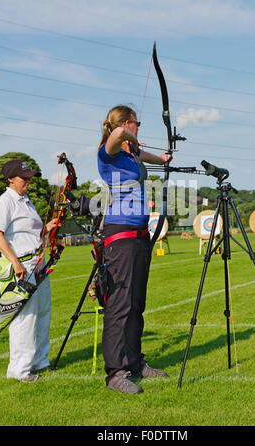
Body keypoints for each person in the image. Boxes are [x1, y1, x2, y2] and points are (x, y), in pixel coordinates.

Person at [97, 105, 171, 394]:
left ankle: (135, 363)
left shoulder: (130, 154)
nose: (139, 127)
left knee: (136, 304)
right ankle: (115, 372)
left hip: (140, 235)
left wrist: (163, 158)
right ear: (129, 123)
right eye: (137, 123)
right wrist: (131, 135)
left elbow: (145, 155)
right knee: (119, 306)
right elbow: (117, 134)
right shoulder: (109, 152)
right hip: (120, 236)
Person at [0, 159, 57, 382]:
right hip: (20, 268)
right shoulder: (4, 202)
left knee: (42, 314)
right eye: (24, 179)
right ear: (10, 179)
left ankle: (40, 361)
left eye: (30, 178)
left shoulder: (26, 201)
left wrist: (47, 228)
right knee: (24, 318)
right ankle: (19, 370)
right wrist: (15, 263)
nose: (28, 182)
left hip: (36, 265)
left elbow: (30, 234)